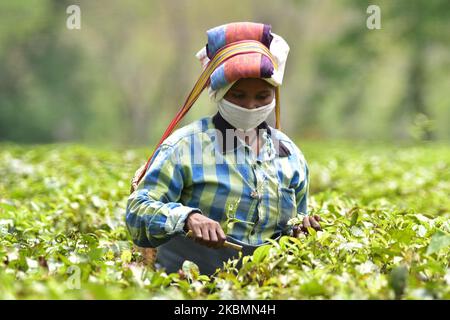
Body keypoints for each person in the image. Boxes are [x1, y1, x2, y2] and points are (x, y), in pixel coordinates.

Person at [126, 22, 321, 275]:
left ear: (274, 95)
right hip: (185, 287)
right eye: (238, 96)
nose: (251, 106)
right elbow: (137, 211)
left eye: (262, 97)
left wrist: (302, 229)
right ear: (219, 93)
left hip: (263, 289)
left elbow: (296, 221)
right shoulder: (186, 146)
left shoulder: (289, 155)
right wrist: (186, 218)